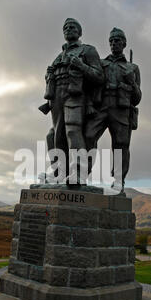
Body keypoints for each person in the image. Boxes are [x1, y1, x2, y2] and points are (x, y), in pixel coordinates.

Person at [41, 18, 103, 185]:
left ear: (80, 32)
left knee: (72, 132)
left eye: (73, 27)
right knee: (55, 136)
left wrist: (81, 66)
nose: (68, 29)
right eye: (65, 27)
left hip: (75, 95)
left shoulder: (87, 51)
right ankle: (60, 174)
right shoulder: (59, 56)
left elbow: (99, 76)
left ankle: (78, 174)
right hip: (56, 98)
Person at [85, 28, 142, 195]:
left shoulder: (133, 67)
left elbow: (137, 98)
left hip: (121, 110)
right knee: (88, 137)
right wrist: (89, 104)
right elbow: (90, 86)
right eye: (111, 41)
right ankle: (81, 175)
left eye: (117, 40)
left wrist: (132, 83)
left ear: (124, 43)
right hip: (101, 106)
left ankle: (118, 181)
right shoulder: (102, 63)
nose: (113, 43)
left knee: (121, 146)